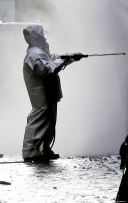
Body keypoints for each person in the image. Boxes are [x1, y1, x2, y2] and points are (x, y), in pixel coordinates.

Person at [20, 24, 82, 162]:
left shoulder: (39, 51)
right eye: (42, 35)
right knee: (38, 120)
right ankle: (30, 151)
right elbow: (49, 69)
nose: (44, 37)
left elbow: (52, 58)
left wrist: (70, 56)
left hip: (47, 93)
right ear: (36, 36)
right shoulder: (34, 54)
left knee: (48, 121)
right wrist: (64, 59)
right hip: (40, 93)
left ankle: (43, 149)